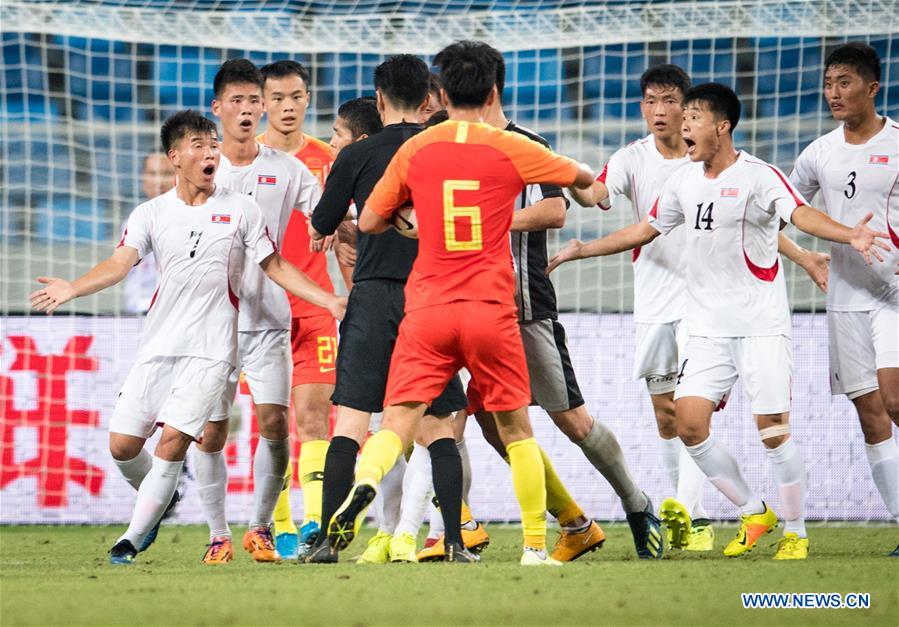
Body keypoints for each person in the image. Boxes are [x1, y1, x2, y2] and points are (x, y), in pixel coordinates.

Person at [548, 83, 889, 560]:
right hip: (706, 328)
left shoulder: (760, 175)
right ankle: (755, 511)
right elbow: (643, 229)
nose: (684, 125)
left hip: (760, 326)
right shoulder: (682, 182)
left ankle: (796, 530)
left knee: (772, 428)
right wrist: (583, 249)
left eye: (693, 117)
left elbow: (802, 214)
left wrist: (847, 233)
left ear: (722, 126)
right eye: (682, 117)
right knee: (688, 425)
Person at [29, 110, 345, 565]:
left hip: (216, 347)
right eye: (198, 145)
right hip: (159, 346)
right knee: (122, 447)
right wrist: (73, 287)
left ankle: (136, 539)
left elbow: (273, 265)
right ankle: (160, 500)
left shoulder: (241, 209)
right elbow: (120, 264)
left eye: (211, 144)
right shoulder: (152, 213)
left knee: (182, 439)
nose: (210, 152)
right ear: (175, 157)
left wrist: (326, 299)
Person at [325, 40, 596, 566]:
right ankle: (536, 548)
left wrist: (413, 223)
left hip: (426, 307)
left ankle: (366, 483)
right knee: (516, 431)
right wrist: (592, 186)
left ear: (441, 93)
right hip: (490, 308)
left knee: (398, 423)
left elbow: (373, 220)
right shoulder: (511, 146)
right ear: (494, 90)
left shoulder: (415, 149)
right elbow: (579, 181)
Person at [305, 54, 468, 564]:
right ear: (428, 99)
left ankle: (328, 543)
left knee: (350, 425)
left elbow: (322, 224)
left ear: (378, 100)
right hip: (431, 295)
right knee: (440, 426)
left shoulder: (355, 156)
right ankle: (455, 543)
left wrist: (346, 224)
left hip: (373, 295)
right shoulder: (446, 150)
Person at [194, 59, 322, 565]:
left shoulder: (287, 169)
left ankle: (261, 527)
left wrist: (351, 222)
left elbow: (329, 210)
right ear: (218, 108)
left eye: (254, 102)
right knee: (212, 429)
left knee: (275, 422)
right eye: (239, 102)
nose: (248, 111)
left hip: (270, 315)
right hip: (211, 319)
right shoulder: (203, 167)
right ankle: (217, 533)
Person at [787, 42, 899, 556]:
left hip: (895, 295)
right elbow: (784, 208)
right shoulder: (819, 153)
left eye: (845, 83)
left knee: (895, 399)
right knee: (871, 414)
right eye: (829, 83)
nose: (833, 93)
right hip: (846, 298)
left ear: (873, 88)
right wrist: (806, 257)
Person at [254, 59, 349, 559]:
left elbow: (352, 234)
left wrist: (354, 297)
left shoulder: (328, 158)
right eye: (277, 98)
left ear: (307, 99)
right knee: (271, 425)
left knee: (314, 419)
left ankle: (316, 523)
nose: (287, 107)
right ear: (262, 102)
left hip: (314, 304)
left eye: (296, 97)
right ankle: (278, 525)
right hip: (258, 310)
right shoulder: (248, 160)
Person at [121, 153, 175, 315]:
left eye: (166, 173)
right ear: (143, 179)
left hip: (173, 313)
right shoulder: (131, 221)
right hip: (137, 311)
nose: (159, 181)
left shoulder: (193, 218)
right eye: (152, 174)